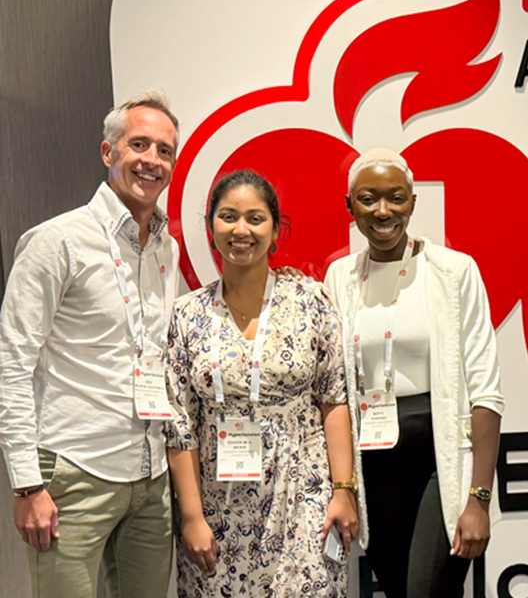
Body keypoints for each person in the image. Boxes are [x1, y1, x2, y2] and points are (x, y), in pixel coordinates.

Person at [0, 90, 180, 597]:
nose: (151, 161)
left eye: (164, 150)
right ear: (108, 152)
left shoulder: (167, 247)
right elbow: (13, 364)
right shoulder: (57, 241)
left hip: (150, 478)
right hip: (74, 475)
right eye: (138, 145)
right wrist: (27, 484)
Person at [165, 170, 357, 597]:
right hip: (219, 507)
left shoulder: (310, 300)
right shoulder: (187, 315)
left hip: (304, 496)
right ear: (211, 228)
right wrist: (192, 516)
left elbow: (334, 399)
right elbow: (180, 424)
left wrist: (344, 490)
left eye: (255, 218)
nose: (241, 230)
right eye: (229, 217)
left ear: (275, 229)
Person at [324, 149, 503, 598]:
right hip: (375, 465)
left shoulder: (454, 271)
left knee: (426, 590)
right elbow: (333, 388)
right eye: (368, 199)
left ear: (413, 203)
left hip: (438, 462)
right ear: (350, 207)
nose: (382, 211)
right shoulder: (338, 277)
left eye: (395, 198)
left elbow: (486, 391)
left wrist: (480, 498)